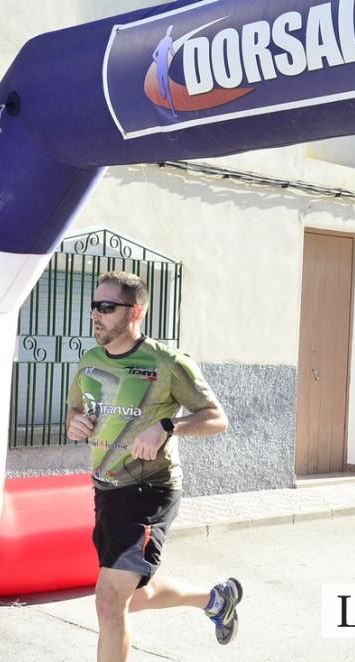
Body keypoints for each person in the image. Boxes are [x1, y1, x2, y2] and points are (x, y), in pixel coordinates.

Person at [66, 271, 241, 662]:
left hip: (149, 491)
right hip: (106, 491)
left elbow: (216, 418)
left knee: (110, 600)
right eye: (94, 306)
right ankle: (215, 599)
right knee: (134, 597)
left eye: (107, 307)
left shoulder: (167, 362)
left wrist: (168, 426)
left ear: (135, 312)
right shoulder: (90, 361)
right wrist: (75, 421)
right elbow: (76, 410)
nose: (96, 314)